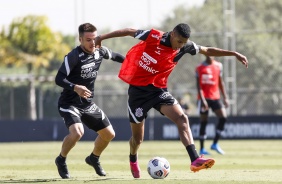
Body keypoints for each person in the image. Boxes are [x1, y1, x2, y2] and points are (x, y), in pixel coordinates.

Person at [95, 23, 248, 178]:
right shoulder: (154, 36)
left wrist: (234, 53)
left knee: (182, 118)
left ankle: (195, 159)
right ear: (173, 34)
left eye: (184, 42)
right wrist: (101, 37)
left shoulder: (185, 46)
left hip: (158, 91)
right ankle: (133, 158)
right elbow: (129, 31)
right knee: (137, 139)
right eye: (179, 41)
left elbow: (207, 50)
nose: (180, 46)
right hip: (138, 93)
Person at [54, 23, 124, 179]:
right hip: (69, 103)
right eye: (88, 39)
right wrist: (75, 87)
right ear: (80, 39)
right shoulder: (73, 56)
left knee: (109, 134)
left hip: (87, 104)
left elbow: (117, 57)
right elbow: (58, 78)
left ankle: (94, 158)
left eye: (95, 38)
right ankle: (61, 159)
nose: (93, 42)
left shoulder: (100, 51)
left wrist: (133, 65)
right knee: (78, 132)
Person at [196, 55, 229, 155]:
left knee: (223, 117)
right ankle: (202, 149)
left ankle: (215, 143)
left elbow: (220, 82)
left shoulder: (219, 66)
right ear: (205, 55)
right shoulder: (199, 68)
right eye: (208, 53)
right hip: (203, 98)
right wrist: (203, 100)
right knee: (204, 122)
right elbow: (199, 86)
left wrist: (225, 97)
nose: (210, 55)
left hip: (215, 97)